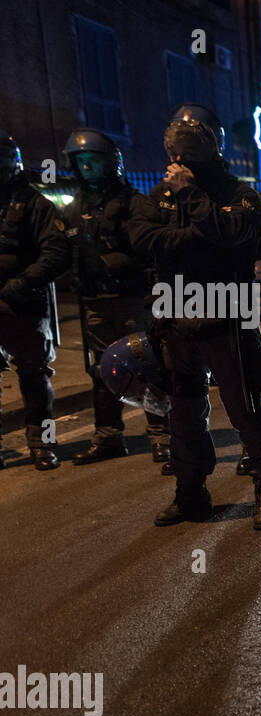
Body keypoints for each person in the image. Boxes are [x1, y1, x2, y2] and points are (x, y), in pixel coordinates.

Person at [128, 104, 261, 528]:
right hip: (176, 314)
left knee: (246, 408)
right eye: (174, 153)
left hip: (228, 315)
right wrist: (201, 235)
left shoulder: (237, 194)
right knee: (183, 411)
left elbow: (244, 237)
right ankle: (190, 492)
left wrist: (193, 200)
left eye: (187, 154)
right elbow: (143, 239)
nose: (177, 162)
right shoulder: (156, 196)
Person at [61, 128, 171, 471]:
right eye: (81, 162)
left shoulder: (134, 204)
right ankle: (109, 437)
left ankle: (161, 437)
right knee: (101, 370)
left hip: (131, 300)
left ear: (111, 163)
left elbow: (155, 251)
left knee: (147, 365)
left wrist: (127, 264)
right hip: (94, 302)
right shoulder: (75, 207)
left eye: (93, 160)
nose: (87, 168)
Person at [0, 128, 70, 471]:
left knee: (35, 377)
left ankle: (43, 444)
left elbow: (55, 252)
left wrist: (23, 282)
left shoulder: (34, 204)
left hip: (23, 303)